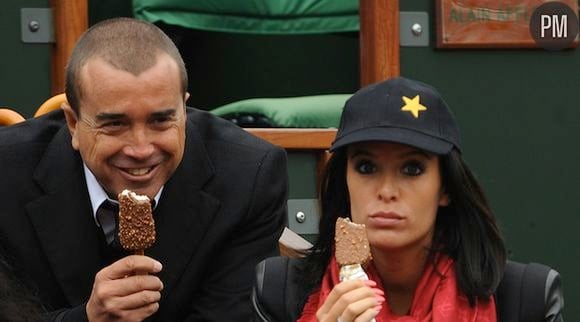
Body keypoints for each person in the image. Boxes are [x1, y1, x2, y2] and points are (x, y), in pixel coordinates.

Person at [0, 17, 288, 321]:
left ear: (184, 110)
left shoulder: (248, 176)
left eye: (160, 121)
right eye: (115, 124)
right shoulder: (6, 173)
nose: (141, 149)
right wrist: (86, 318)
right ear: (73, 123)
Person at [251, 77, 564, 321]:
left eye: (412, 169)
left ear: (446, 188)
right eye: (366, 167)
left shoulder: (526, 298)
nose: (387, 190)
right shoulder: (279, 292)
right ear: (344, 181)